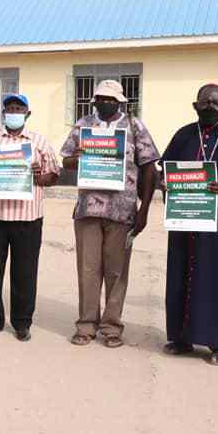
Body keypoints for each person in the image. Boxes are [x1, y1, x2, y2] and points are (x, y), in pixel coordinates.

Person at [60, 79, 159, 348]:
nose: (106, 103)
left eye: (111, 99)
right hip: (87, 209)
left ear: (121, 102)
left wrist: (144, 210)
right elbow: (66, 160)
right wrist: (77, 157)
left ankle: (112, 327)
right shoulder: (83, 125)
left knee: (116, 272)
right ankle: (86, 325)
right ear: (94, 101)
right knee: (88, 269)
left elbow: (149, 167)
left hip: (122, 211)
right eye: (101, 98)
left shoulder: (134, 126)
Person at [160, 84, 218, 365]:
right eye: (204, 102)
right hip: (185, 222)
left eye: (216, 102)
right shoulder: (184, 135)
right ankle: (181, 338)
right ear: (195, 105)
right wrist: (166, 183)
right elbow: (165, 167)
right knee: (180, 277)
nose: (210, 106)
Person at [0, 94, 59, 341]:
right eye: (9, 108)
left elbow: (54, 175)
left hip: (28, 218)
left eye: (19, 108)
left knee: (25, 273)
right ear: (3, 113)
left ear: (27, 114)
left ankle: (22, 323)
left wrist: (40, 177)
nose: (14, 112)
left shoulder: (39, 142)